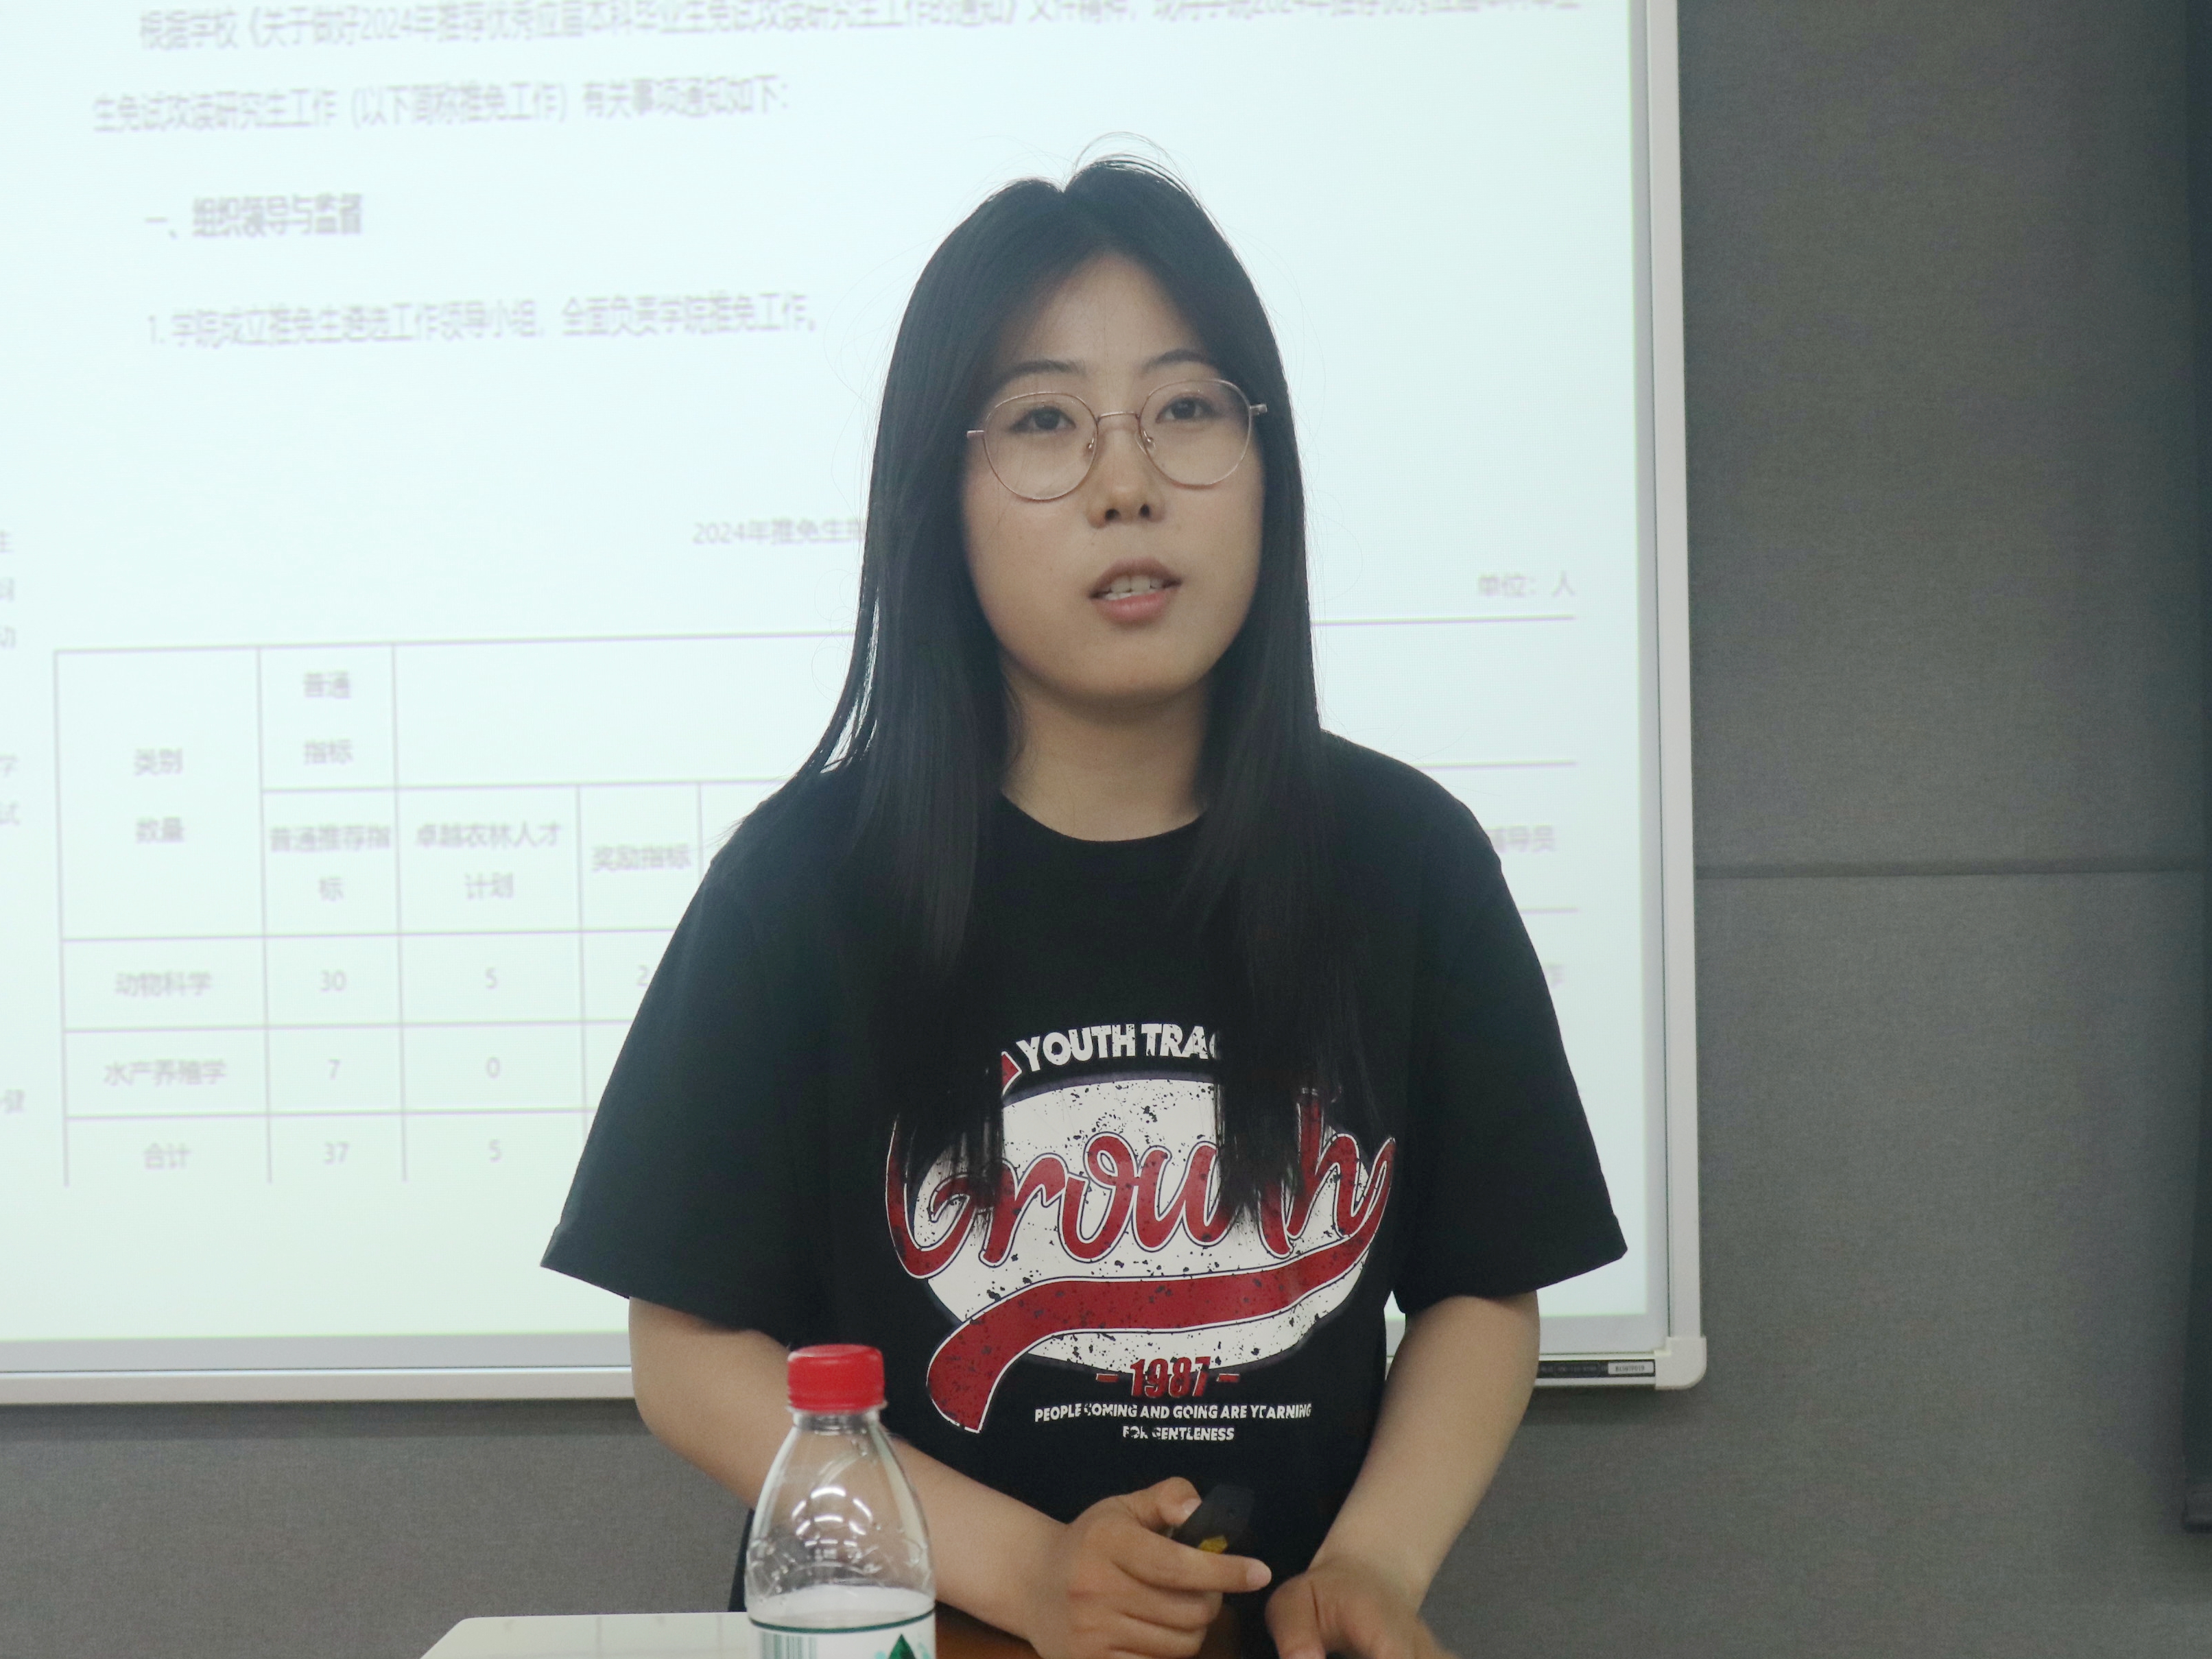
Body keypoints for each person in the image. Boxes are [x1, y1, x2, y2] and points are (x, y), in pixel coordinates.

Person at [543, 156, 1625, 1659]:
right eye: (1045, 420)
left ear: (1265, 462)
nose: (1128, 482)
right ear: (938, 495)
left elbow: (1478, 1291)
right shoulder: (803, 882)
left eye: (1186, 408)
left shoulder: (1407, 859)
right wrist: (1030, 1573)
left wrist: (1371, 1565)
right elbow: (685, 1350)